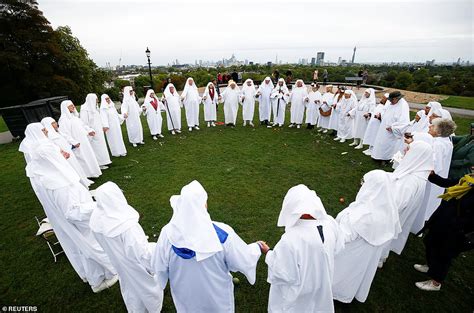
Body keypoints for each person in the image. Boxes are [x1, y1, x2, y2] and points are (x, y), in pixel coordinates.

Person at [152, 181, 268, 312]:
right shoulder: (223, 234)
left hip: (185, 297)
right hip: (217, 299)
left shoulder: (167, 233)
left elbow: (159, 266)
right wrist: (257, 247)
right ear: (204, 205)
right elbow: (243, 259)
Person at [25, 143, 118, 293]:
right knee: (90, 249)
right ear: (52, 158)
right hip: (81, 224)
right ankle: (99, 280)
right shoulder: (58, 184)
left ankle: (97, 278)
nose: (63, 152)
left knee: (85, 249)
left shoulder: (47, 175)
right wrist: (99, 205)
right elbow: (72, 212)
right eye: (59, 152)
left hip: (75, 222)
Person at [266, 184, 343, 313]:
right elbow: (338, 248)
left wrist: (268, 253)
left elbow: (282, 273)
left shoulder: (291, 239)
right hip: (322, 282)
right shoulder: (330, 222)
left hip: (299, 291)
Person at [90, 182, 164, 312]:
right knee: (146, 286)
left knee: (129, 286)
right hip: (135, 264)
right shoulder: (127, 226)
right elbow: (142, 254)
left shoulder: (96, 219)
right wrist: (159, 249)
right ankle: (153, 307)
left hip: (118, 262)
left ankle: (136, 309)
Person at [332, 170, 400, 303]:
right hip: (367, 256)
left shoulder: (357, 216)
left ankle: (335, 291)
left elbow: (340, 238)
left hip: (347, 254)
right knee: (356, 274)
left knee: (341, 274)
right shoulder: (390, 211)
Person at [414, 172, 474, 291]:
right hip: (444, 219)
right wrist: (431, 175)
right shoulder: (467, 179)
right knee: (430, 242)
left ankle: (436, 282)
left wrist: (460, 227)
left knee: (444, 253)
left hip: (457, 229)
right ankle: (431, 266)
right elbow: (447, 182)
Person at [381, 141, 434, 260]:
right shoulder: (419, 173)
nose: (405, 150)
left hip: (389, 218)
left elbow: (396, 203)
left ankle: (379, 257)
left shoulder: (410, 181)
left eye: (409, 149)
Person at [412, 118, 456, 233]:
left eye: (432, 126)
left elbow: (434, 163)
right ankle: (424, 218)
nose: (429, 127)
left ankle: (417, 222)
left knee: (424, 200)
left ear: (439, 131)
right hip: (440, 176)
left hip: (432, 177)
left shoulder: (438, 144)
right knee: (431, 200)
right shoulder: (446, 141)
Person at [41, 117, 93, 188]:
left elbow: (66, 137)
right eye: (53, 123)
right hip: (64, 156)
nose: (56, 124)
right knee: (72, 169)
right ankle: (79, 184)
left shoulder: (57, 132)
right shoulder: (49, 136)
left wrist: (73, 143)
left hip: (69, 153)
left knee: (77, 166)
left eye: (55, 122)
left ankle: (84, 180)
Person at [58, 100, 102, 178]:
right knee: (82, 158)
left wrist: (89, 130)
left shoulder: (74, 117)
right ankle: (87, 175)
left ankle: (93, 172)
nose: (73, 106)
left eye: (73, 105)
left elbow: (83, 125)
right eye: (71, 106)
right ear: (66, 108)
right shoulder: (64, 120)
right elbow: (65, 134)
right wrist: (73, 142)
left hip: (84, 140)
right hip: (77, 143)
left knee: (88, 155)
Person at [371, 91, 410, 162]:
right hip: (383, 127)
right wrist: (381, 116)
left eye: (391, 100)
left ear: (396, 99)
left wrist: (393, 128)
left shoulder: (403, 106)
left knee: (388, 144)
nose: (390, 102)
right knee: (380, 141)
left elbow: (404, 121)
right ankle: (377, 156)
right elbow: (386, 112)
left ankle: (386, 159)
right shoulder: (391, 103)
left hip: (392, 130)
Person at [80, 93, 112, 169]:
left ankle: (104, 161)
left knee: (101, 146)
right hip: (92, 132)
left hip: (99, 131)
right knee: (96, 148)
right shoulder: (84, 110)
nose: (97, 100)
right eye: (96, 99)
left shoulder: (94, 107)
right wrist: (89, 130)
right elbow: (83, 123)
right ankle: (98, 164)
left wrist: (102, 126)